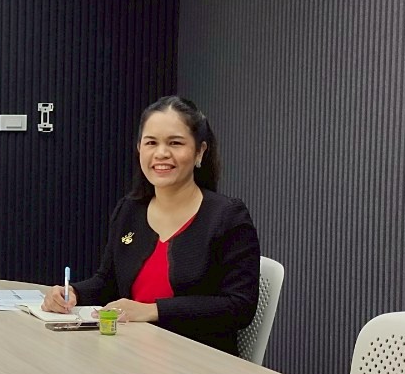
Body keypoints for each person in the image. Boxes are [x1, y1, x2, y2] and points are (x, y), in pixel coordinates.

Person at [44, 95, 259, 356]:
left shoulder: (227, 216)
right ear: (139, 149)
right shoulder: (129, 210)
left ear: (200, 151)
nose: (161, 153)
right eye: (151, 143)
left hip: (197, 361)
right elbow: (107, 282)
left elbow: (239, 307)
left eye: (175, 143)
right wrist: (72, 293)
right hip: (128, 353)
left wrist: (152, 310)